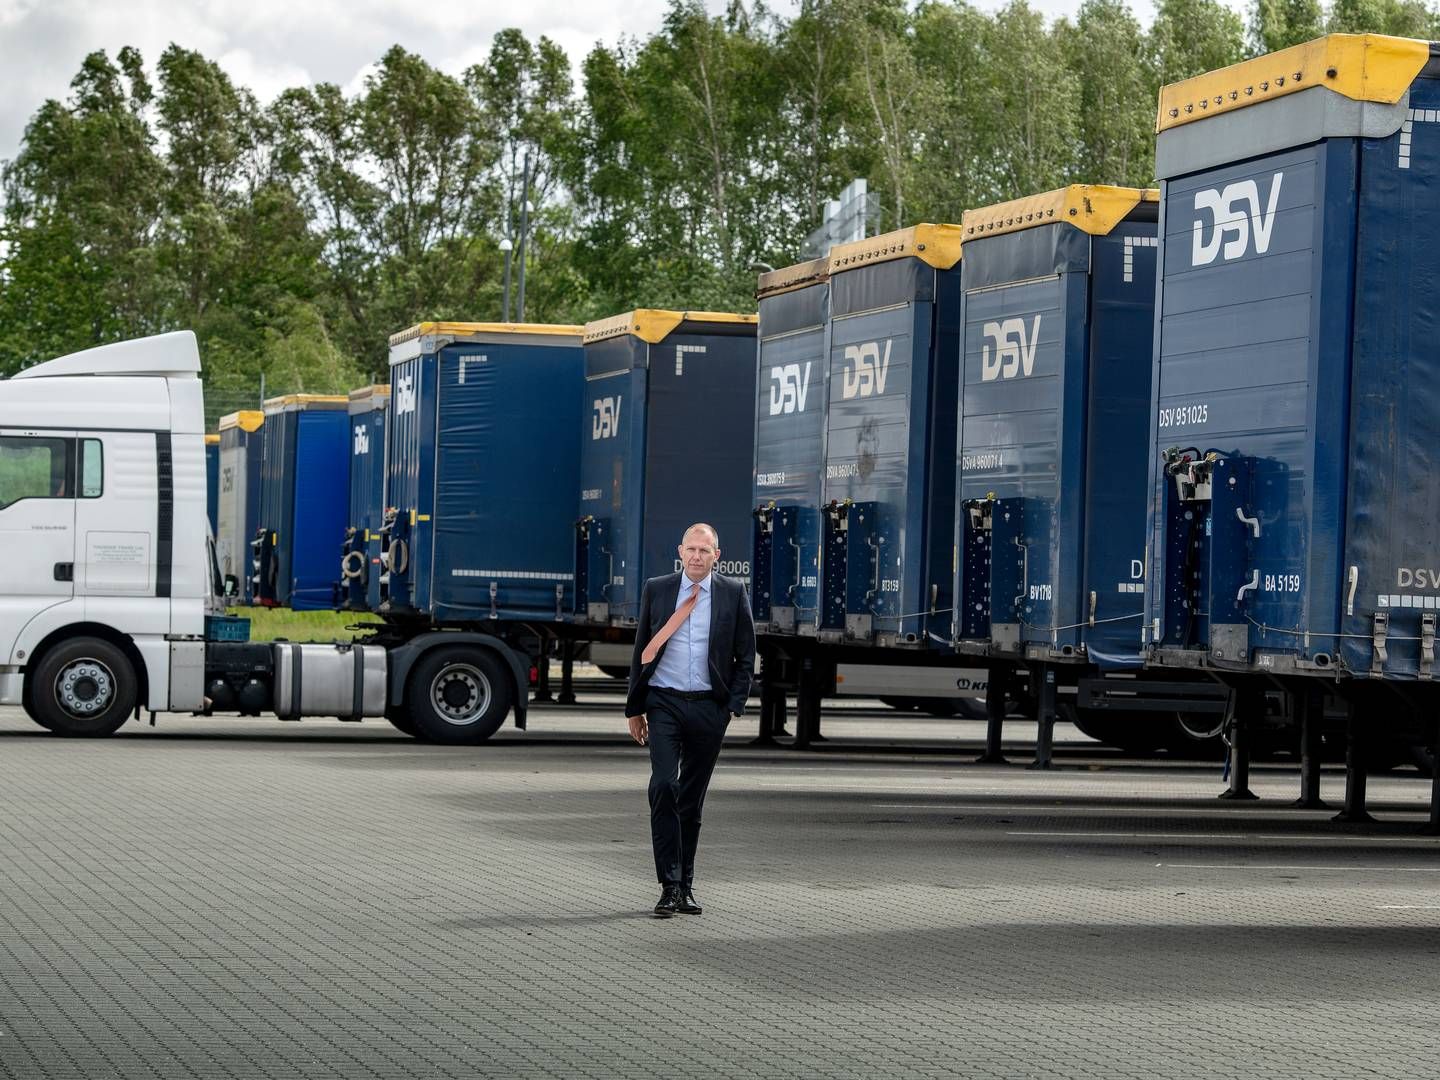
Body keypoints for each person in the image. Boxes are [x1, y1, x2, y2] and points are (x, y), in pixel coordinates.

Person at [626, 523, 755, 918]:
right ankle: (668, 885)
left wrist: (732, 706)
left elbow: (746, 655)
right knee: (664, 785)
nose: (697, 556)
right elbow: (642, 649)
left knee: (691, 801)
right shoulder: (658, 588)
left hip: (708, 709)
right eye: (691, 549)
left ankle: (685, 886)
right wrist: (634, 707)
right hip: (663, 702)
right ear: (680, 552)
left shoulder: (732, 593)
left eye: (705, 550)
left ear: (717, 555)